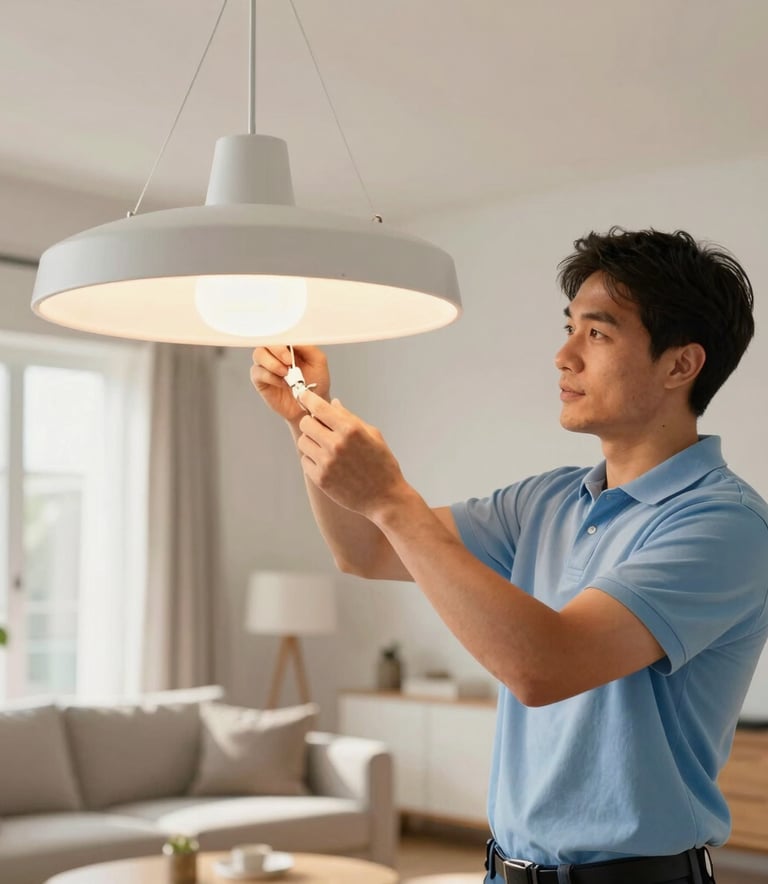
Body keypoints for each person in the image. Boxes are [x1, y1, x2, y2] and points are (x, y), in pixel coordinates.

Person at [251, 227, 768, 884]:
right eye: (570, 328)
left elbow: (544, 668)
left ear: (680, 365)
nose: (563, 356)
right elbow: (368, 549)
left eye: (598, 334)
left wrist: (391, 498)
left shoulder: (724, 523)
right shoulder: (547, 501)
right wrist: (308, 414)